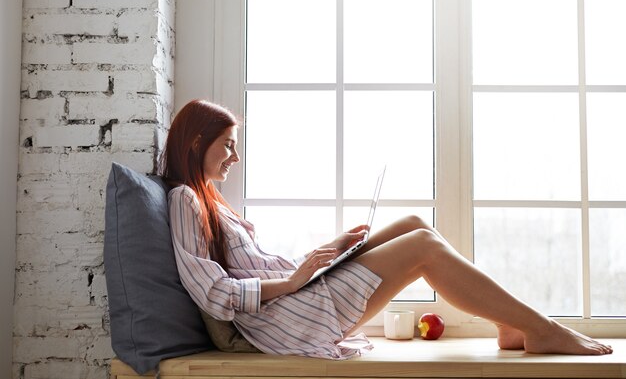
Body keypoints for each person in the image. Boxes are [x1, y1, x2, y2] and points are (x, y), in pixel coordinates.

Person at [158, 99, 613, 359]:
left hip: (298, 295)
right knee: (423, 248)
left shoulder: (211, 202)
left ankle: (508, 324)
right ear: (197, 143)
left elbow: (253, 268)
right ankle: (540, 328)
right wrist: (294, 281)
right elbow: (212, 292)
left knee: (413, 224)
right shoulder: (185, 199)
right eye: (228, 146)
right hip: (287, 319)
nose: (235, 158)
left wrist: (327, 252)